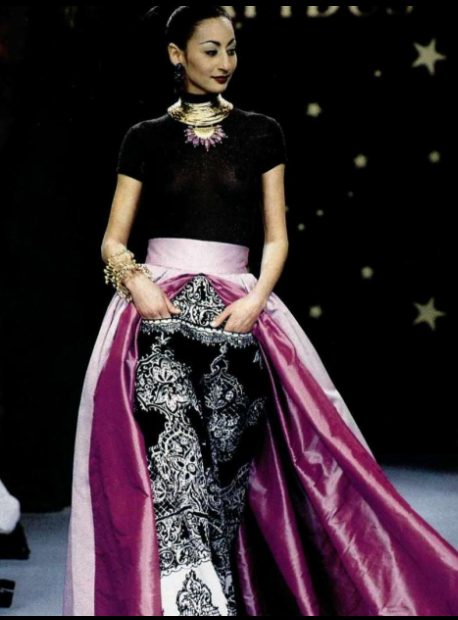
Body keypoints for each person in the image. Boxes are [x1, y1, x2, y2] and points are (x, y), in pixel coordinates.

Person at [62, 6, 458, 617]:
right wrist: (136, 281)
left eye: (232, 49)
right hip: (158, 323)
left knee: (225, 489)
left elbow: (276, 237)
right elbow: (113, 240)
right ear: (176, 55)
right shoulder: (144, 138)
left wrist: (255, 299)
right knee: (178, 480)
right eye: (211, 49)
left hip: (238, 318)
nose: (225, 62)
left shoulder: (261, 133)